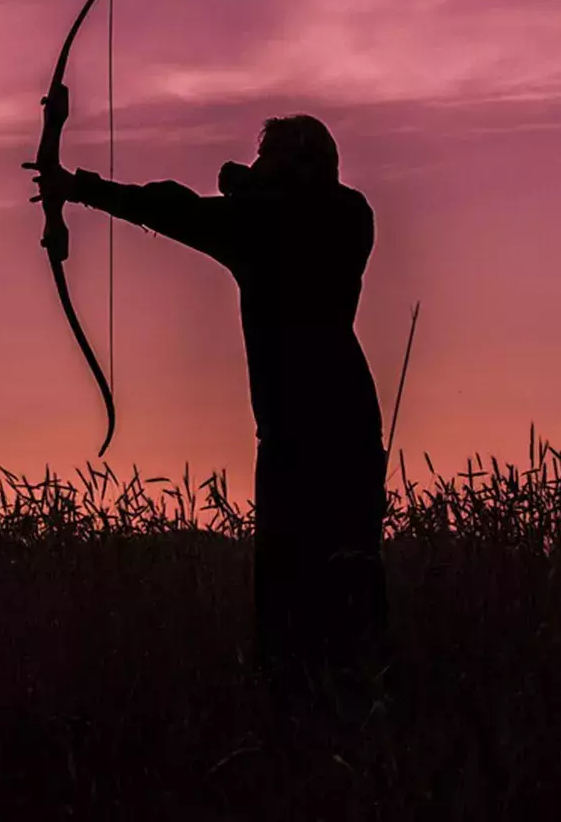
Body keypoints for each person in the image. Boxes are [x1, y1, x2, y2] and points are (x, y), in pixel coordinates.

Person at [27, 88, 390, 728]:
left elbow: (197, 210)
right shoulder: (338, 216)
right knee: (340, 585)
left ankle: (316, 721)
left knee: (303, 592)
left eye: (270, 159)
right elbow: (174, 206)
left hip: (304, 440)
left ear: (293, 170)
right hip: (345, 431)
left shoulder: (307, 221)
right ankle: (343, 720)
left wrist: (75, 186)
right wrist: (76, 187)